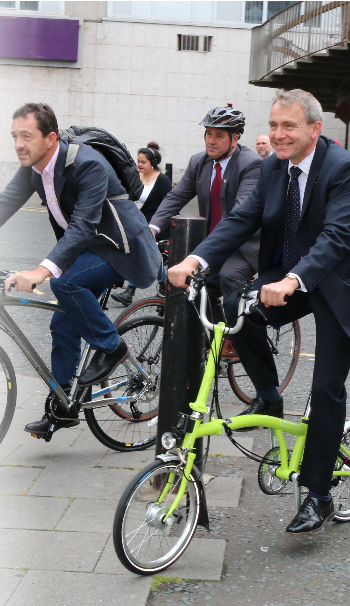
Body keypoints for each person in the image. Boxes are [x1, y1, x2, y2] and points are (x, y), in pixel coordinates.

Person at [168, 89, 350, 535]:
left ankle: (318, 494)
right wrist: (197, 259)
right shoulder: (272, 167)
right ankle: (269, 393)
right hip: (286, 275)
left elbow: (335, 237)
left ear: (314, 129)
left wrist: (291, 280)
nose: (279, 134)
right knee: (234, 308)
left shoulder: (342, 169)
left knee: (327, 387)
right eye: (273, 125)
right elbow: (239, 220)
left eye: (289, 126)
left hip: (335, 283)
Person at [0, 103, 161, 437]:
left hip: (121, 250)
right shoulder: (34, 167)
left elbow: (83, 226)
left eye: (26, 136)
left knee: (66, 285)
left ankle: (112, 347)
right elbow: (4, 203)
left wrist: (41, 272)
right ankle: (63, 408)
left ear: (50, 138)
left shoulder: (87, 164)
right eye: (15, 135)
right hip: (88, 248)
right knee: (63, 322)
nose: (19, 143)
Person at [150, 104, 262, 357]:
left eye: (219, 135)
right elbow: (176, 197)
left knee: (228, 277)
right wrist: (152, 228)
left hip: (241, 245)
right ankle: (216, 335)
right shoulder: (198, 162)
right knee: (195, 286)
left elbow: (240, 215)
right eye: (208, 134)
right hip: (209, 244)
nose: (211, 141)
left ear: (236, 138)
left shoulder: (251, 164)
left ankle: (238, 338)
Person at [112, 142, 172, 306]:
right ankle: (164, 282)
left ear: (152, 163)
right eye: (138, 161)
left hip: (154, 227)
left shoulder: (162, 180)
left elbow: (168, 206)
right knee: (146, 256)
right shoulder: (135, 177)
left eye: (143, 162)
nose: (139, 164)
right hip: (135, 224)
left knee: (142, 255)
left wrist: (160, 226)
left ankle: (130, 291)